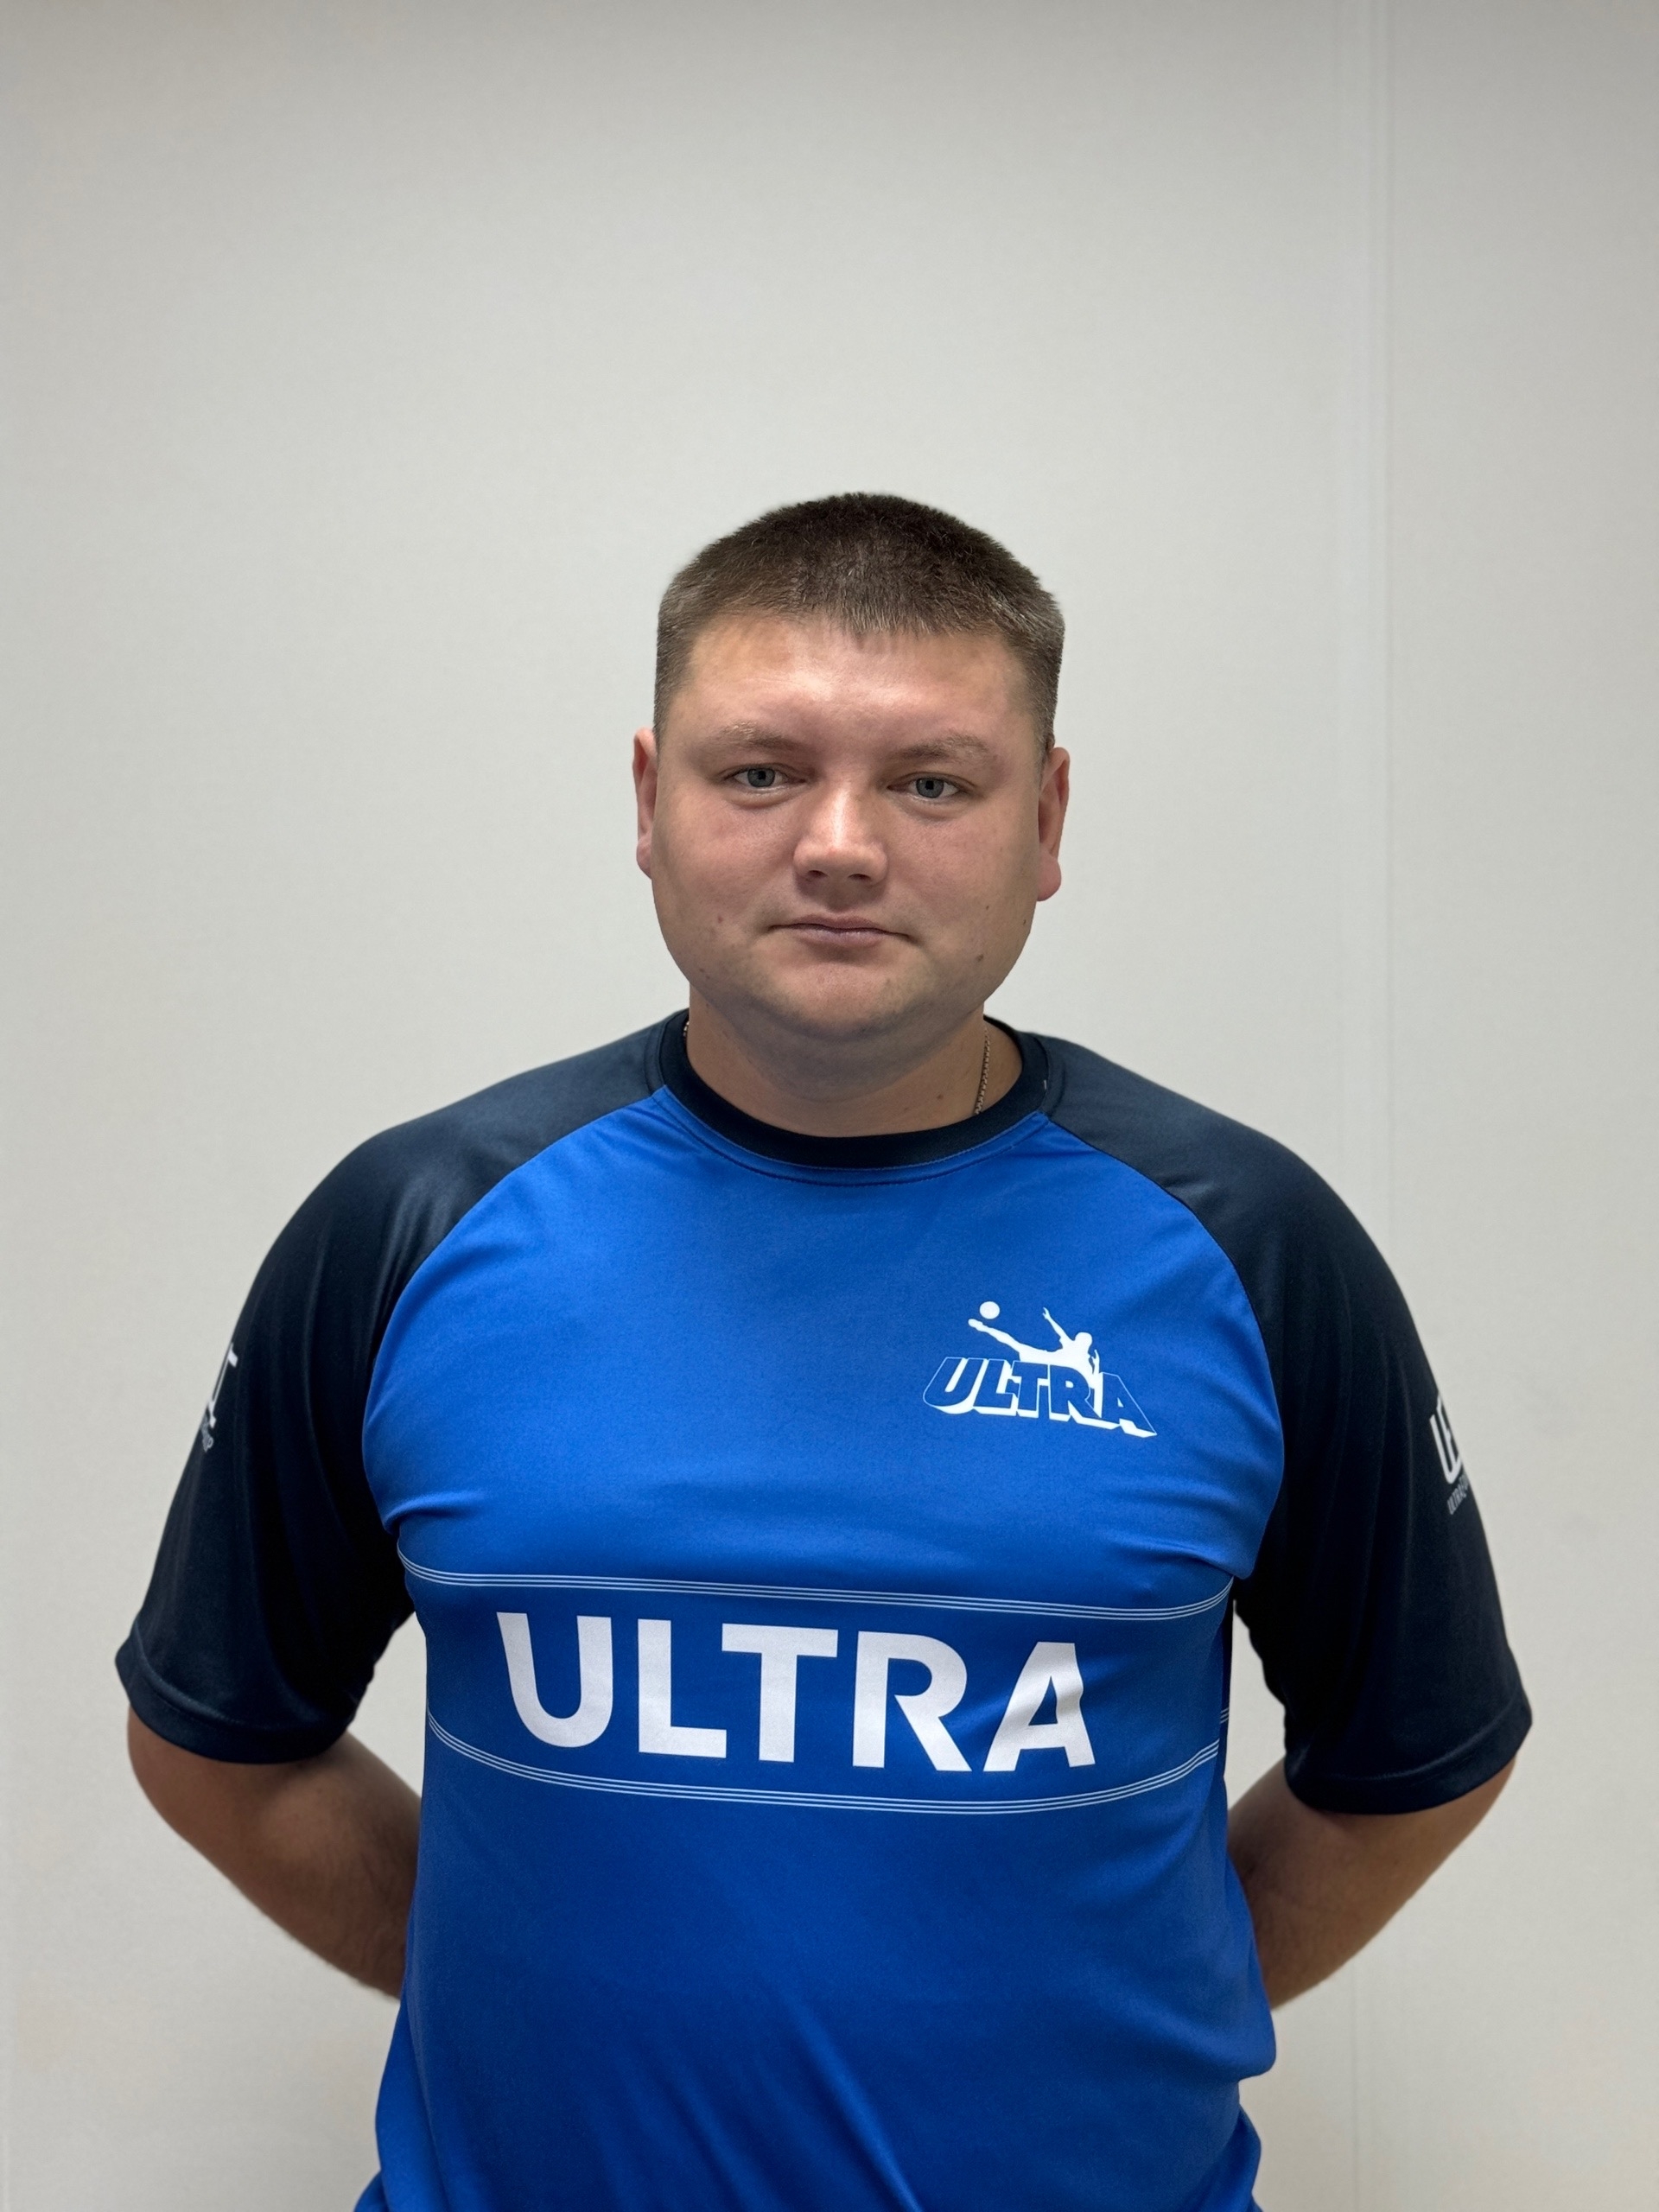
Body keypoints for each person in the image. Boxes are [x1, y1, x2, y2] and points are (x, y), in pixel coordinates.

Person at [118, 493, 1530, 2212]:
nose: (842, 844)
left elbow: (1410, 1762)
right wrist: (518, 1979)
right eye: (761, 771)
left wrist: (1121, 2007)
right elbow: (222, 1739)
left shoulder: (1250, 1247)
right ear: (650, 802)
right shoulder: (414, 1224)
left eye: (932, 782)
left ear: (1046, 819)